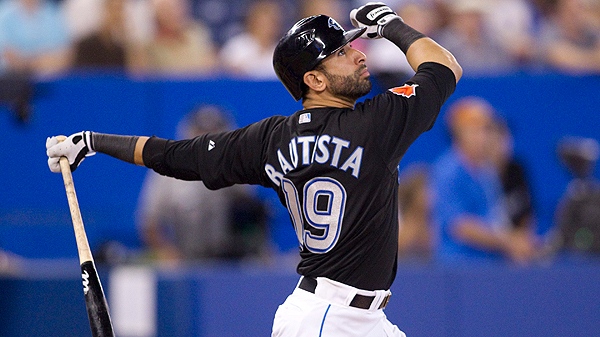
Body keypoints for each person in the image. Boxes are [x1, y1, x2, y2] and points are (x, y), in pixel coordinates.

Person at [46, 3, 461, 336]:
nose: (357, 53)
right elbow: (444, 68)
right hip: (328, 319)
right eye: (339, 53)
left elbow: (173, 155)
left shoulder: (271, 139)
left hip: (351, 317)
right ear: (314, 79)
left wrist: (92, 141)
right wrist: (390, 24)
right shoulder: (377, 124)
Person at [137, 105, 269, 263]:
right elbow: (149, 223)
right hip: (185, 259)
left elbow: (252, 215)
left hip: (227, 261)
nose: (207, 139)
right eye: (200, 132)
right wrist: (167, 252)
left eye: (214, 133)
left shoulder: (235, 166)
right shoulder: (167, 170)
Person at [430, 97, 538, 264]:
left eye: (487, 130)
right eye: (476, 130)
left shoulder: (486, 170)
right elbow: (459, 226)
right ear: (459, 132)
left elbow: (494, 217)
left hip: (491, 265)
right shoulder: (447, 171)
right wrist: (509, 241)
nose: (484, 137)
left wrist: (518, 243)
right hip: (459, 268)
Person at [218, 0, 282, 79]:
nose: (267, 28)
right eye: (263, 23)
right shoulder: (237, 46)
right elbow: (223, 73)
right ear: (253, 22)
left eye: (271, 22)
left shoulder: (280, 51)